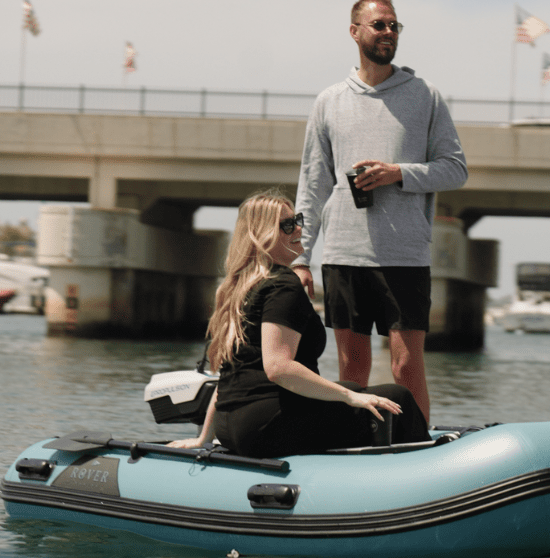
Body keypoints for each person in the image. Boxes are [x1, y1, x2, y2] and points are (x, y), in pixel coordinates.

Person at [291, 0, 467, 424]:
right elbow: (312, 185)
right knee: (352, 370)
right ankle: (359, 447)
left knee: (406, 367)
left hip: (404, 256)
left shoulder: (426, 96)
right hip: (344, 255)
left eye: (394, 26)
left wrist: (398, 174)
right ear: (355, 32)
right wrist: (300, 257)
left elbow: (455, 170)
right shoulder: (329, 101)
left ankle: (420, 447)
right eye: (379, 25)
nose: (388, 32)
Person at [168, 189, 427, 458]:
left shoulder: (240, 288)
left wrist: (204, 438)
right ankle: (425, 477)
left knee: (350, 388)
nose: (299, 230)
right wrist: (351, 399)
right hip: (267, 425)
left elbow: (230, 376)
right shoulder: (283, 285)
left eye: (298, 220)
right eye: (288, 225)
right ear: (262, 235)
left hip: (231, 426)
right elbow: (278, 368)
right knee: (398, 397)